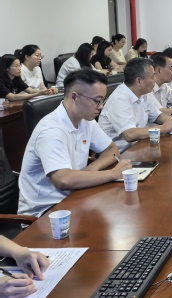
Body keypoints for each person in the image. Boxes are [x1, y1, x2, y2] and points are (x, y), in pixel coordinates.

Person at [18, 69, 132, 217]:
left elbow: (111, 149)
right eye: (97, 101)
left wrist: (91, 169)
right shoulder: (51, 131)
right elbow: (63, 180)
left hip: (76, 195)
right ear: (74, 97)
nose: (101, 106)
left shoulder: (86, 120)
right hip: (47, 212)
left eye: (102, 100)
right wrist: (113, 173)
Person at [99, 58, 172, 152]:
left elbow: (157, 116)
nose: (155, 80)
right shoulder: (119, 99)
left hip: (139, 146)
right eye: (152, 77)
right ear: (139, 81)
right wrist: (164, 128)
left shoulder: (144, 93)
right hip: (120, 153)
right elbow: (130, 134)